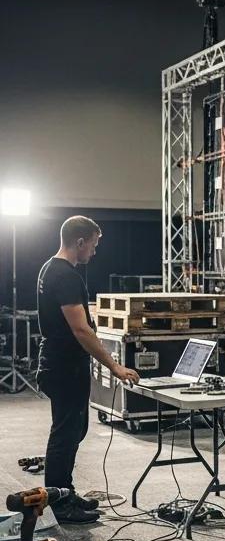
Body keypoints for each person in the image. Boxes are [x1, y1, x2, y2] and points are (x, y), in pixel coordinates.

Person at [36, 216, 139, 522]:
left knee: (73, 430)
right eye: (93, 244)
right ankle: (60, 503)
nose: (94, 251)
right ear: (80, 242)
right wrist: (115, 366)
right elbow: (81, 331)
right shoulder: (66, 276)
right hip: (65, 367)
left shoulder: (49, 269)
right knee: (65, 434)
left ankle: (64, 492)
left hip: (60, 363)